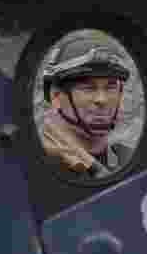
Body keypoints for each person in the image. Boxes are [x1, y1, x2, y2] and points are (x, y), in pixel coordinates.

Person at [38, 34, 135, 179]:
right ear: (56, 97)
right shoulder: (38, 167)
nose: (102, 99)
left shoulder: (129, 159)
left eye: (111, 87)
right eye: (88, 88)